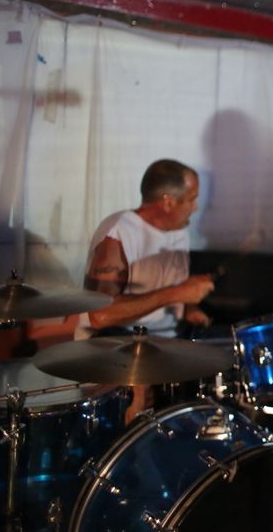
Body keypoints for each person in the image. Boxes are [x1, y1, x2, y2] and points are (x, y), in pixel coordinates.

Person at [82, 159, 215, 418]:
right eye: (191, 199)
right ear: (168, 202)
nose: (196, 207)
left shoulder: (179, 231)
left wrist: (188, 307)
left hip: (165, 346)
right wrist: (176, 293)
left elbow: (164, 289)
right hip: (117, 349)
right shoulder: (118, 232)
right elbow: (100, 315)